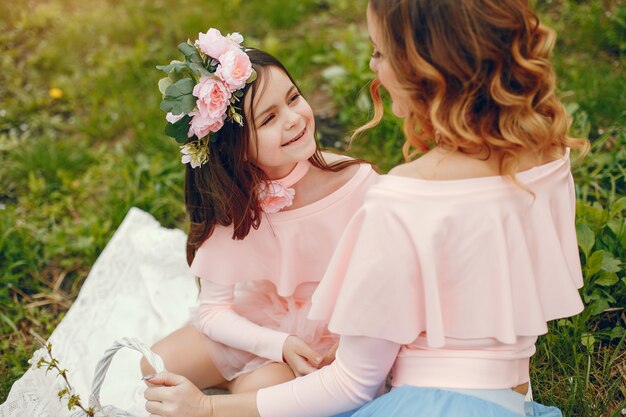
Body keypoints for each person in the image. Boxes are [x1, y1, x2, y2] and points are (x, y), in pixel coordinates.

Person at [144, 1, 588, 416]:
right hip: (509, 392)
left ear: (424, 70)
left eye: (379, 52)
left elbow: (353, 383)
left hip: (426, 399)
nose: (373, 67)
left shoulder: (399, 199)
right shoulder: (551, 155)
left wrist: (205, 409)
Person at [140, 31, 378, 395]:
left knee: (258, 394)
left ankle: (243, 384)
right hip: (268, 317)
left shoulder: (354, 183)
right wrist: (275, 345)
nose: (294, 118)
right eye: (268, 119)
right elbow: (214, 310)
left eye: (294, 98)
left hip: (333, 330)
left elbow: (386, 279)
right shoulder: (238, 202)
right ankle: (234, 374)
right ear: (239, 150)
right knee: (153, 367)